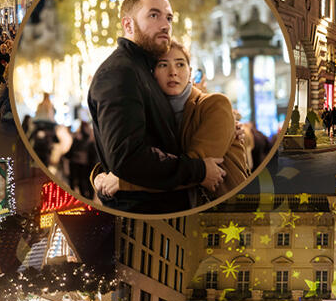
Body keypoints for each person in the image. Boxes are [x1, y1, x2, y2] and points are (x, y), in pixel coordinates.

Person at [86, 0, 223, 213]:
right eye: (154, 15)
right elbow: (127, 157)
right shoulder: (120, 73)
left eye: (168, 17)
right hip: (144, 214)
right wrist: (198, 170)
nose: (165, 25)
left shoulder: (143, 69)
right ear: (128, 25)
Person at [93, 42, 250, 206]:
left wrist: (122, 181)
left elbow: (196, 167)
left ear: (189, 72)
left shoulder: (214, 104)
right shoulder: (150, 114)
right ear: (151, 74)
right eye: (163, 65)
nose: (173, 72)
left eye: (180, 64)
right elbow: (137, 156)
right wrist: (100, 176)